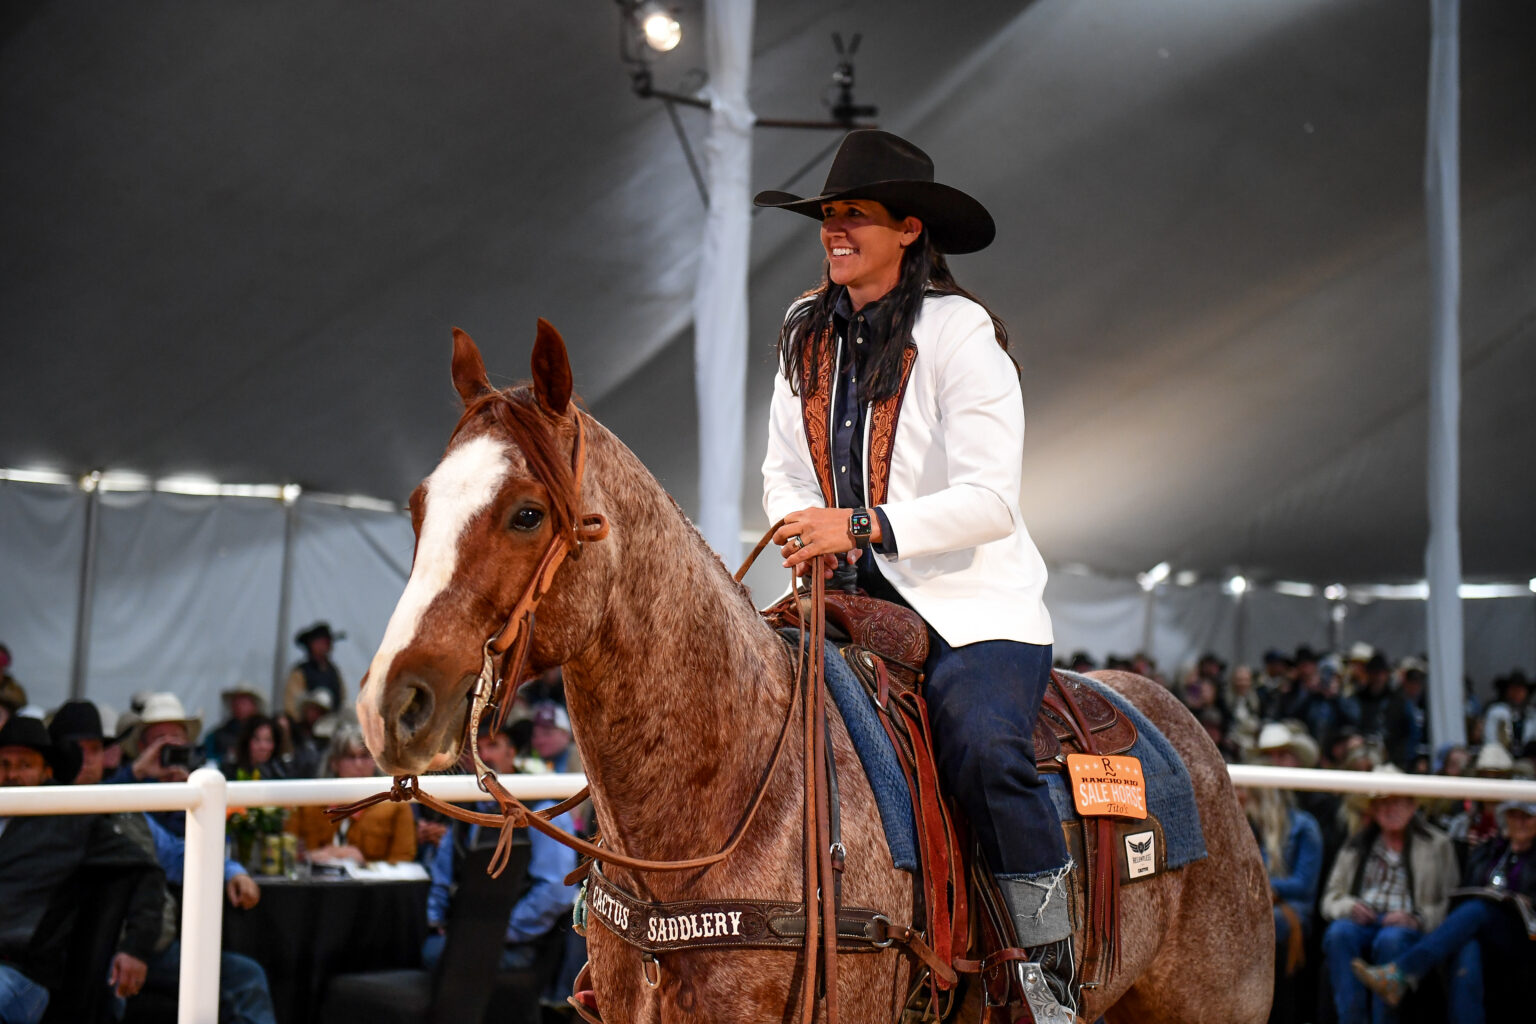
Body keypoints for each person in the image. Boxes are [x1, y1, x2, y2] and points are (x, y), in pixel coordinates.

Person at [755, 129, 1075, 1020]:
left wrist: (857, 524)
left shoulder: (960, 331)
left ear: (907, 229)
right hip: (846, 598)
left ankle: (1050, 975)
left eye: (852, 215)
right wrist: (798, 523)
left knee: (982, 748)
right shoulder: (802, 330)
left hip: (975, 608)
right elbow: (784, 466)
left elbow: (989, 501)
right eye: (827, 216)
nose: (833, 230)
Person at [0, 715, 167, 1024]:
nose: (11, 775)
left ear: (47, 771)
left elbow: (146, 870)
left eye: (24, 765)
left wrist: (136, 947)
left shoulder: (71, 820)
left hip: (22, 971)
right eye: (4, 764)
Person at [1351, 799, 1536, 1022]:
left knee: (1478, 909)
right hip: (1480, 932)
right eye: (1514, 816)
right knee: (1468, 947)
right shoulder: (1488, 850)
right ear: (1505, 818)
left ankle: (1400, 972)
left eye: (1527, 817)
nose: (1520, 823)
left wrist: (1528, 901)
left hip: (1522, 935)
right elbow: (1466, 889)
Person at [423, 721, 577, 974]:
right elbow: (443, 876)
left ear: (512, 753)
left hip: (518, 942)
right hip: (465, 930)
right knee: (429, 949)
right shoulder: (465, 809)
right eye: (476, 748)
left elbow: (555, 891)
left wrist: (503, 932)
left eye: (492, 745)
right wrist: (438, 919)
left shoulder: (543, 810)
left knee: (437, 956)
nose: (484, 756)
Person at [1319, 766, 1459, 1024]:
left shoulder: (1437, 844)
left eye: (1397, 801)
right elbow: (1329, 899)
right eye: (1381, 802)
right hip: (1363, 921)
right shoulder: (1357, 844)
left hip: (1406, 926)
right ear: (1372, 809)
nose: (1389, 809)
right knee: (1339, 933)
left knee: (1390, 940)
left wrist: (1417, 918)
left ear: (1412, 805)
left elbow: (1450, 902)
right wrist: (1349, 906)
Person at [286, 726, 416, 864]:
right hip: (314, 881)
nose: (358, 764)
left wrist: (364, 864)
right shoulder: (307, 803)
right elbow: (288, 853)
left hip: (372, 884)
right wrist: (309, 857)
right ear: (334, 763)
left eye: (365, 756)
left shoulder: (395, 805)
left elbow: (403, 861)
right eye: (350, 757)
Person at [47, 698, 129, 785]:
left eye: (95, 749)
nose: (88, 760)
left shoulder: (117, 797)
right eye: (76, 750)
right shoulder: (35, 796)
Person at [282, 622, 345, 719]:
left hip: (331, 723)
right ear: (311, 645)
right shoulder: (300, 672)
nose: (325, 646)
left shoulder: (334, 671)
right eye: (321, 642)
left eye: (327, 643)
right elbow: (292, 705)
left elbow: (342, 698)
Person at [206, 682, 267, 769]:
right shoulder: (218, 735)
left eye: (244, 701)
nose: (239, 705)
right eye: (236, 701)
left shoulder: (267, 729)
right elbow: (209, 759)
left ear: (255, 705)